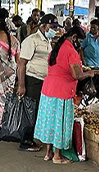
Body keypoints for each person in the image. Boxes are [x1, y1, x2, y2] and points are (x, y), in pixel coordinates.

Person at [34, 26, 93, 164]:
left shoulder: (56, 49)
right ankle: (57, 156)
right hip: (62, 91)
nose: (80, 44)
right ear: (74, 38)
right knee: (60, 122)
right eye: (79, 41)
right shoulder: (71, 51)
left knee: (50, 121)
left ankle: (48, 153)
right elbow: (76, 75)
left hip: (48, 90)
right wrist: (90, 73)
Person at [17, 13, 59, 152]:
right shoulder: (31, 40)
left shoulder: (47, 41)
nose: (54, 29)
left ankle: (31, 138)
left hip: (43, 80)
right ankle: (25, 141)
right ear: (44, 25)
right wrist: (21, 86)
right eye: (52, 26)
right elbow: (21, 63)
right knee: (30, 110)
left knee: (36, 111)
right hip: (32, 79)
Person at [81, 19, 99, 101]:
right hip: (89, 64)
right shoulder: (87, 37)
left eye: (94, 28)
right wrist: (84, 61)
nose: (92, 29)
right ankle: (89, 99)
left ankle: (98, 99)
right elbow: (81, 49)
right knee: (89, 84)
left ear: (98, 27)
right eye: (91, 27)